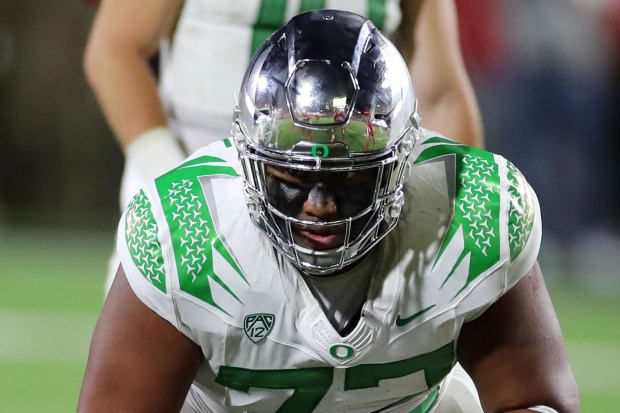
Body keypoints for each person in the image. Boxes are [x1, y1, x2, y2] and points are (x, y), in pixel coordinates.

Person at [77, 11, 578, 413]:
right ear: (248, 161)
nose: (318, 205)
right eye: (293, 180)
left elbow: (532, 400)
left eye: (349, 178)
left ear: (404, 160)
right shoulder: (185, 230)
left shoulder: (473, 208)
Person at [83, 0, 483, 290]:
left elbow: (440, 94)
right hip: (191, 191)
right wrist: (181, 193)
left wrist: (459, 217)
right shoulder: (184, 204)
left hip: (335, 221)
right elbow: (115, 50)